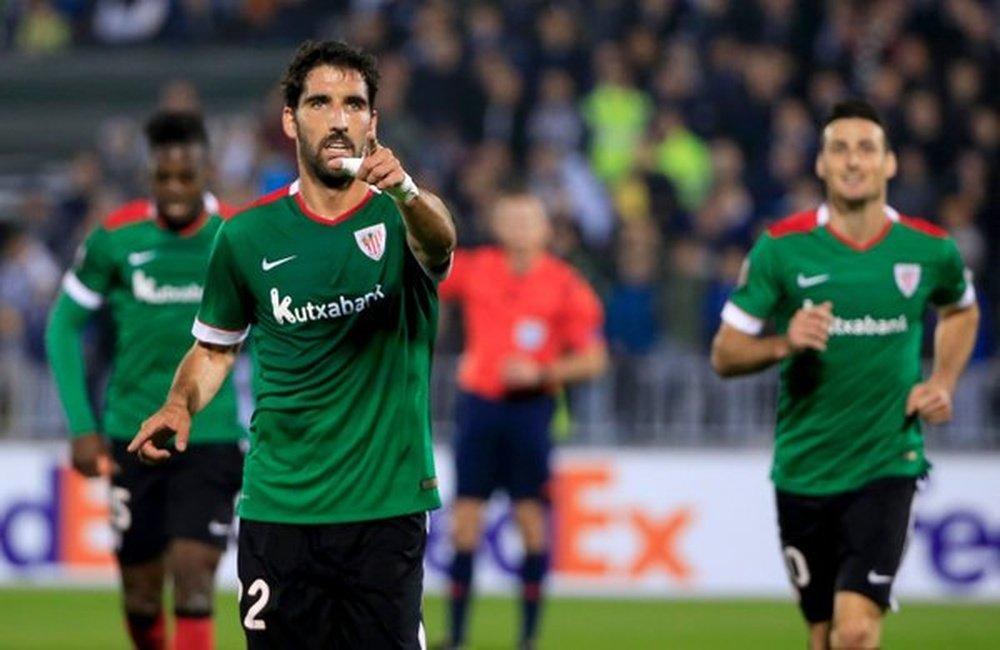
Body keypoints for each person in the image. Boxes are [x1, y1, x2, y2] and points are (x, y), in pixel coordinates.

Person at [127, 40, 456, 649]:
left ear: (373, 122)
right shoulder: (246, 235)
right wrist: (179, 403)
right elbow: (215, 348)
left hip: (383, 509)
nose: (338, 118)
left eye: (355, 104)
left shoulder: (400, 219)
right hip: (279, 510)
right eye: (321, 102)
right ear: (290, 119)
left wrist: (407, 191)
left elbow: (441, 244)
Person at [710, 99, 980, 650]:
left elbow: (962, 309)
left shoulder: (928, 249)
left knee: (855, 631)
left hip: (887, 460)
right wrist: (786, 342)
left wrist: (943, 382)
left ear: (890, 164)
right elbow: (724, 353)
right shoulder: (781, 249)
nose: (853, 161)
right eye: (840, 149)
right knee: (822, 634)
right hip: (804, 467)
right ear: (820, 165)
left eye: (866, 149)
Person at [45, 110, 245, 650]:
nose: (176, 189)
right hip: (130, 433)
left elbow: (273, 330)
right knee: (139, 593)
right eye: (165, 178)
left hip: (212, 434)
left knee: (195, 574)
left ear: (208, 171)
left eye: (188, 176)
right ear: (149, 176)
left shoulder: (237, 235)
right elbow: (63, 325)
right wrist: (82, 426)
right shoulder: (115, 238)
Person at [437, 186, 608, 650]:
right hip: (480, 406)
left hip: (531, 410)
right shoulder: (477, 268)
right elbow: (427, 275)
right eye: (510, 219)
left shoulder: (565, 283)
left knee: (530, 520)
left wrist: (543, 371)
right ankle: (455, 636)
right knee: (465, 521)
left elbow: (594, 359)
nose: (518, 227)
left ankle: (528, 637)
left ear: (546, 229)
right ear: (496, 225)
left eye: (528, 219)